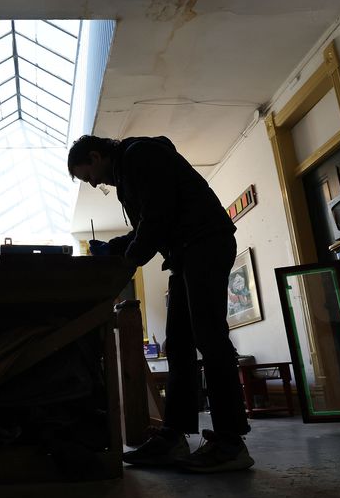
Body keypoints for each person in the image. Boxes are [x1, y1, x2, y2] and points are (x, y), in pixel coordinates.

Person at [67, 135, 253, 473]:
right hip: (185, 253)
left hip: (204, 244)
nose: (93, 184)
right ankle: (173, 436)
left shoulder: (141, 155)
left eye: (89, 175)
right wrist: (114, 247)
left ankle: (230, 442)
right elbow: (147, 226)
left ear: (95, 155)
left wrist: (126, 262)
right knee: (179, 346)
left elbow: (157, 218)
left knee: (210, 339)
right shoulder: (129, 171)